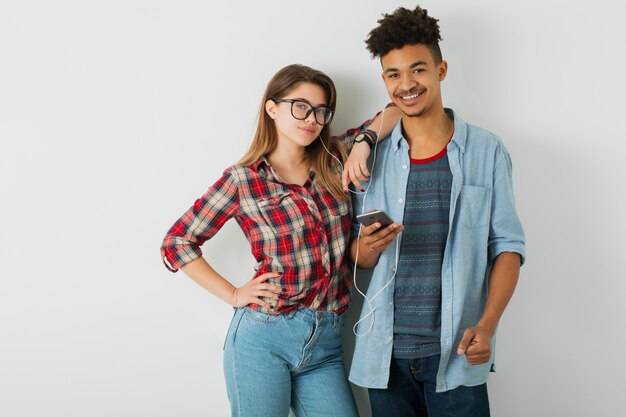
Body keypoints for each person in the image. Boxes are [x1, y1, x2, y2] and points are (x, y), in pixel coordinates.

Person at [160, 64, 399, 417]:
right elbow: (177, 242)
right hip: (263, 340)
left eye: (321, 110)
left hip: (327, 342)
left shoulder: (335, 156)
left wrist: (363, 143)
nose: (311, 118)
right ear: (272, 108)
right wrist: (234, 294)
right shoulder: (243, 180)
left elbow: (394, 110)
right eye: (300, 106)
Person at [348, 6, 526, 417]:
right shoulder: (369, 159)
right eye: (394, 74)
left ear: (441, 69)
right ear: (384, 81)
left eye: (418, 70)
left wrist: (488, 324)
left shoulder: (487, 150)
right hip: (386, 360)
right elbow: (357, 258)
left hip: (458, 354)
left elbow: (508, 248)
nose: (407, 84)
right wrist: (368, 248)